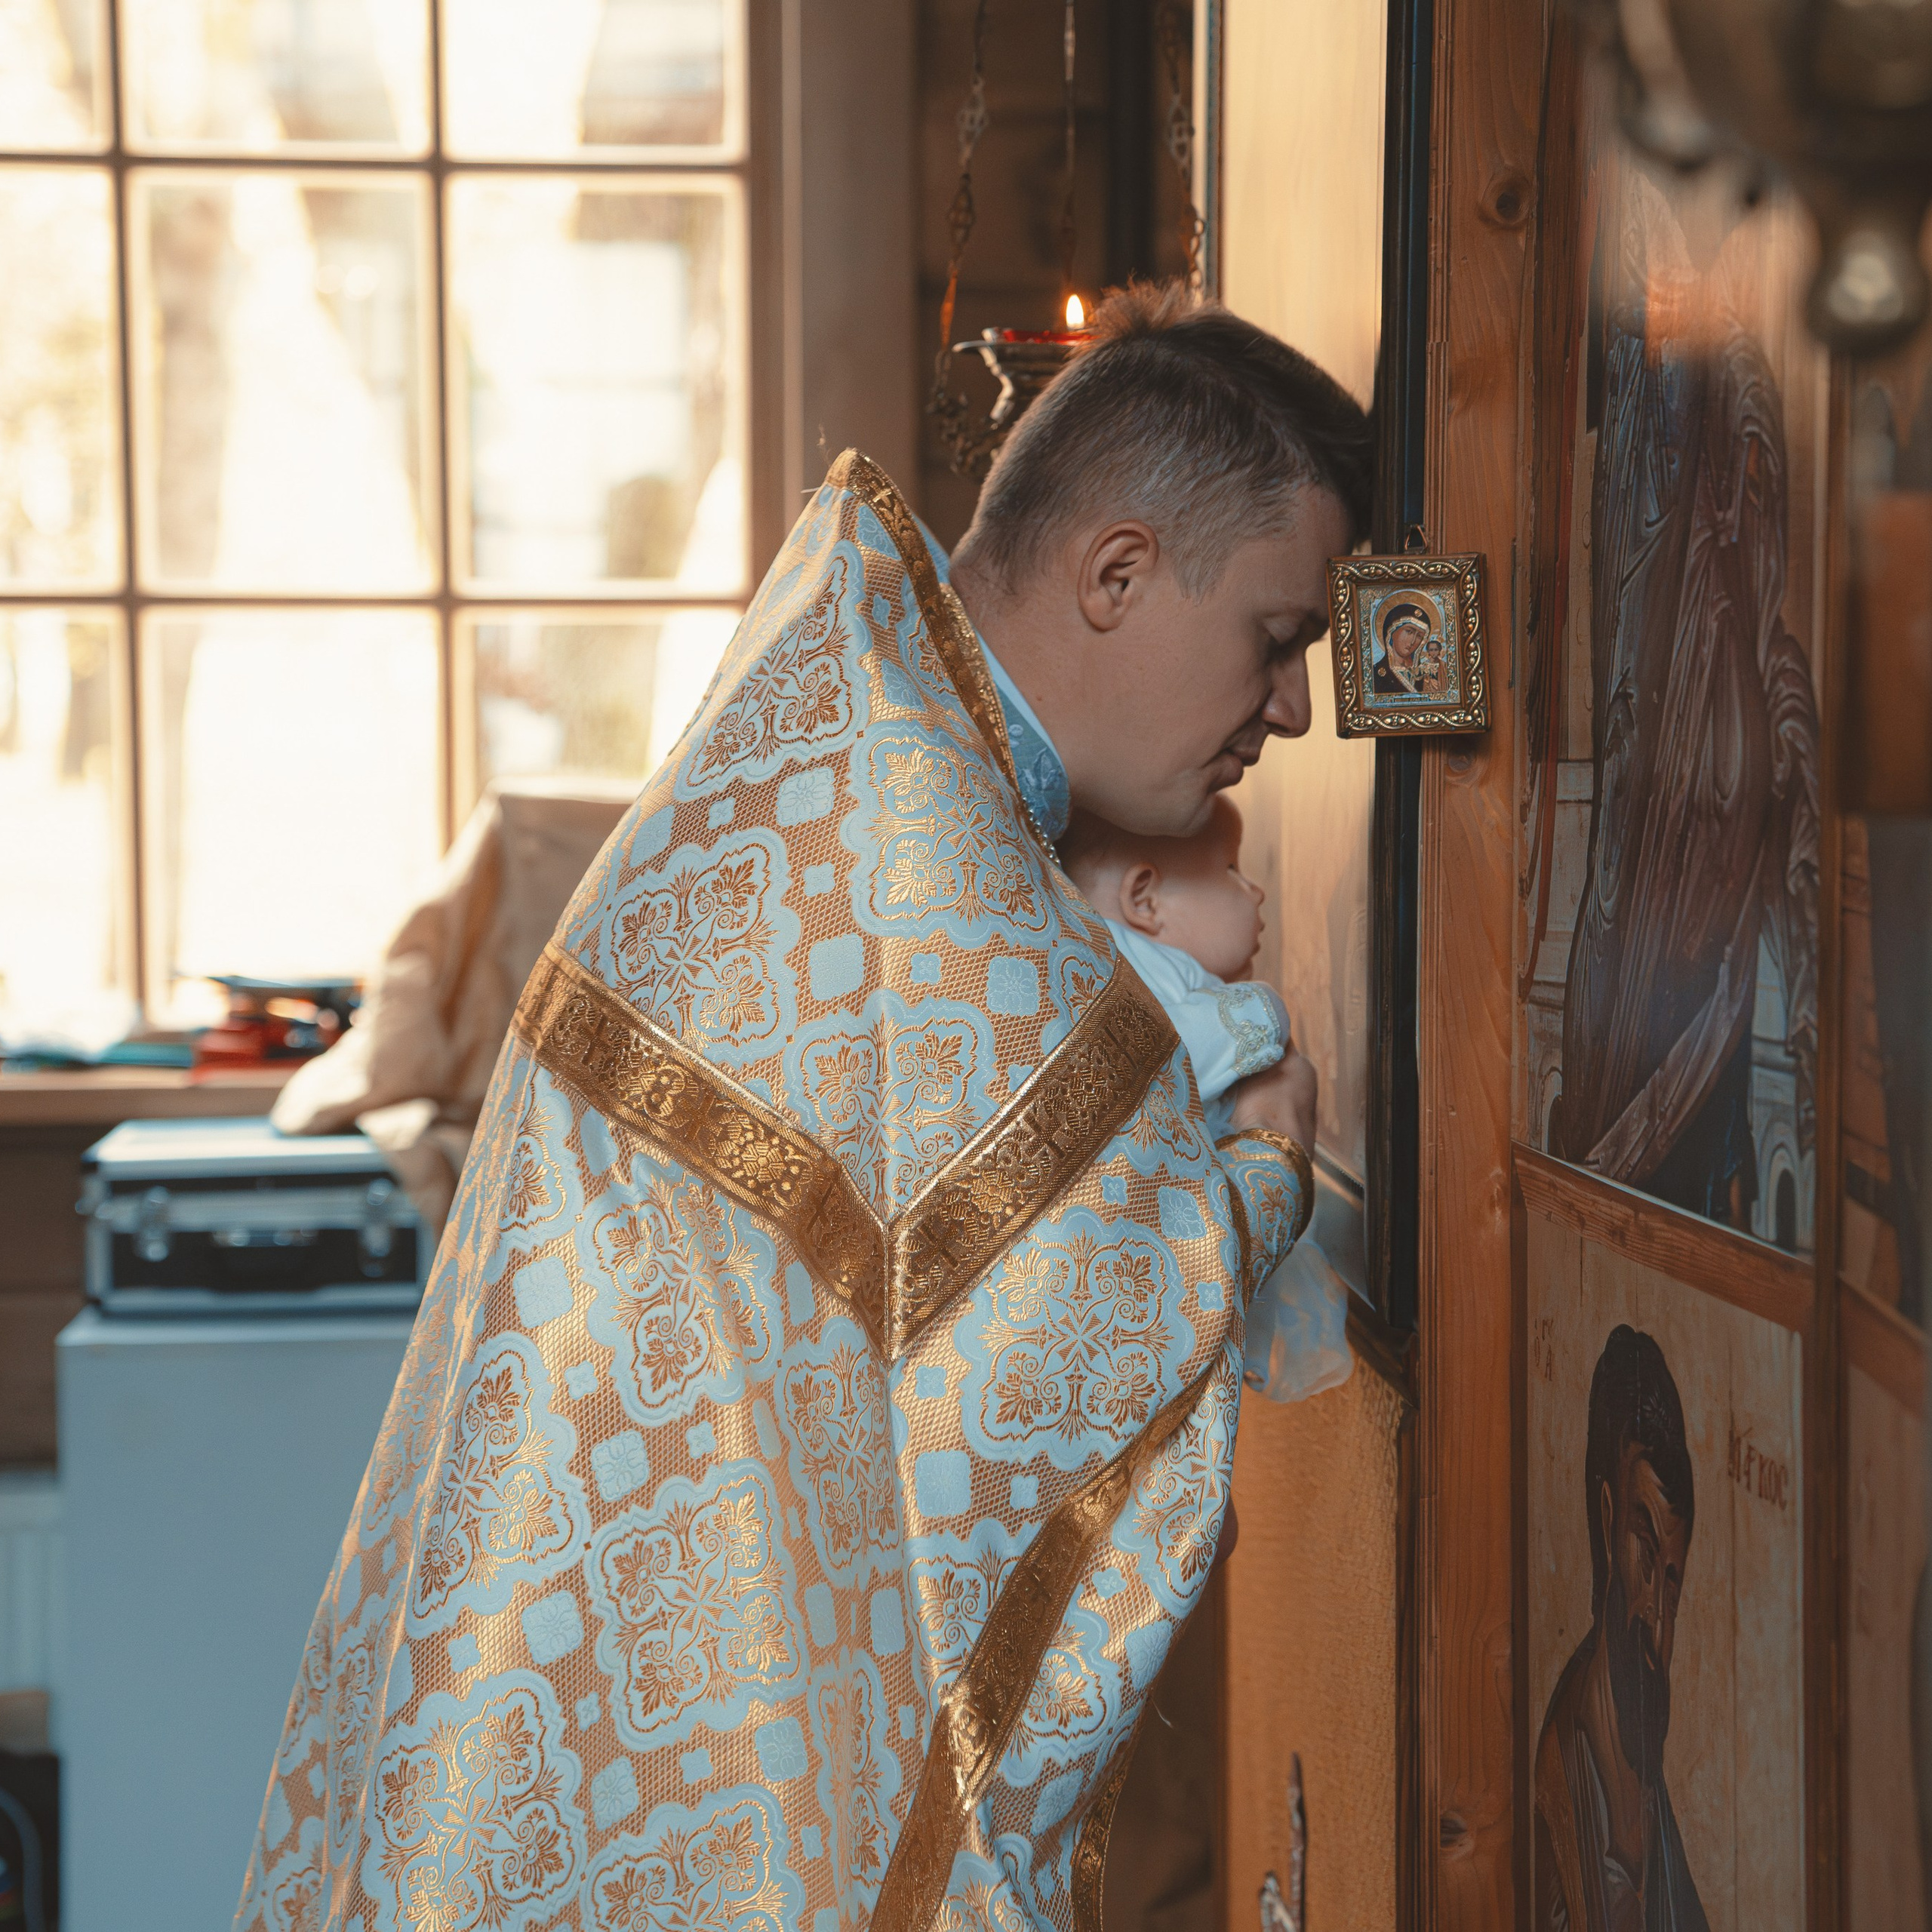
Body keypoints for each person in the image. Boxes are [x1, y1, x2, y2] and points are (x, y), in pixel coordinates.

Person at [235, 281, 1371, 1932]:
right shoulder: (924, 860)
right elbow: (1059, 1344)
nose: (1286, 709)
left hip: (563, 1662)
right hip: (687, 1699)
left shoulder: (843, 729)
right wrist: (1263, 1162)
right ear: (1117, 571)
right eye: (1275, 638)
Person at [1534, 1325, 1707, 1932]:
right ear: (1607, 1521)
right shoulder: (1571, 1763)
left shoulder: (1645, 1771)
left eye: (1673, 1577)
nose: (1659, 1611)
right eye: (1644, 1551)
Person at [1371, 598, 1435, 698]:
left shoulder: (1424, 675)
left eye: (1419, 636)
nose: (1413, 641)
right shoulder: (1375, 675)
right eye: (1409, 631)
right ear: (1392, 632)